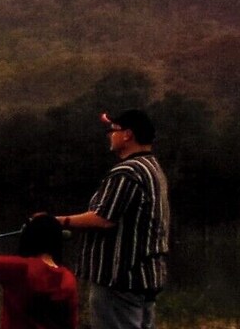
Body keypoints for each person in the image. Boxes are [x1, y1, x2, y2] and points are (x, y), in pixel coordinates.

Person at [53, 109, 171, 329]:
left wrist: (56, 221)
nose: (109, 134)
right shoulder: (152, 167)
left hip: (119, 279)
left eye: (113, 130)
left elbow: (103, 219)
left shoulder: (127, 171)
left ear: (127, 135)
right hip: (143, 278)